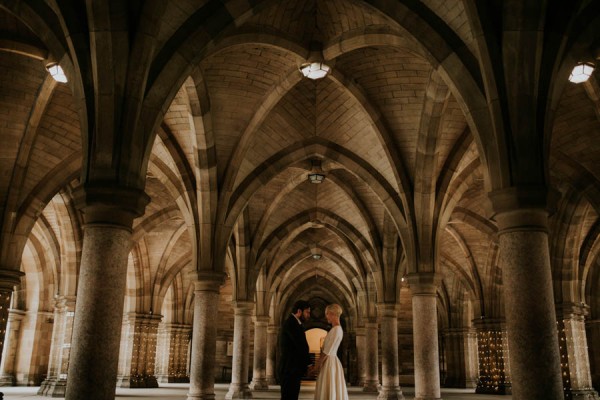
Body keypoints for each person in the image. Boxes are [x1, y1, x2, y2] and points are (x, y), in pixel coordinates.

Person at [278, 300, 312, 400]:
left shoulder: (296, 323)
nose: (309, 315)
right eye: (307, 312)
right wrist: (309, 364)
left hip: (293, 369)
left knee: (292, 396)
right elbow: (301, 345)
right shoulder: (291, 323)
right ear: (299, 311)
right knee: (288, 397)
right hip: (289, 369)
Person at [314, 304, 349, 400]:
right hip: (331, 361)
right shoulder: (336, 329)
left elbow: (326, 352)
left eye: (327, 314)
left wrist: (316, 366)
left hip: (329, 362)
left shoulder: (336, 330)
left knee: (328, 387)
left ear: (333, 314)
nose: (326, 316)